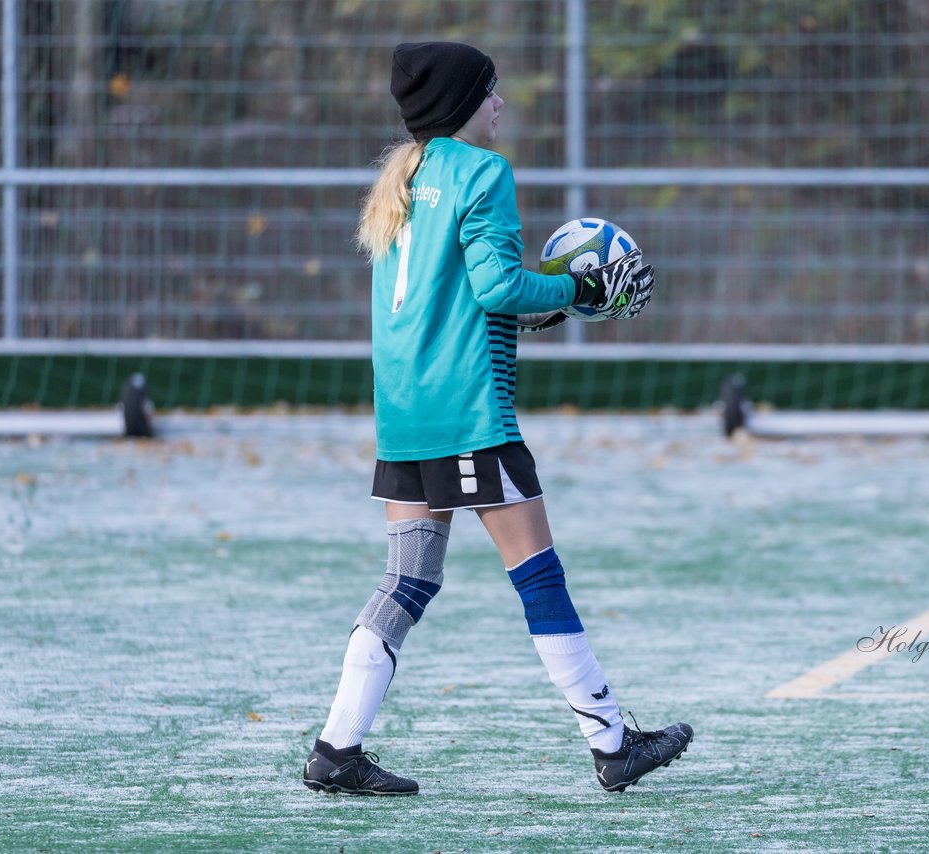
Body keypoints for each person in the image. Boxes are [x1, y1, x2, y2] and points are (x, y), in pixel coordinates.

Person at [302, 41, 692, 796]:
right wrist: (578, 293)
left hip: (405, 415)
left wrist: (537, 304)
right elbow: (492, 288)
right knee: (538, 575)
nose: (500, 104)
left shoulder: (403, 177)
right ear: (462, 105)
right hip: (470, 417)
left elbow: (448, 302)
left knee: (407, 581)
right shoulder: (485, 172)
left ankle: (335, 751)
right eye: (491, 93)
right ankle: (613, 744)